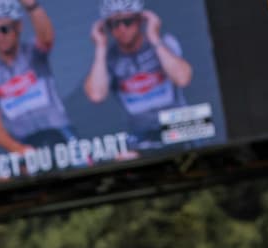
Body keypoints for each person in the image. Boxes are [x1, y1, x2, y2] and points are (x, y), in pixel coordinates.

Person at [82, 1, 194, 153]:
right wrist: (100, 47)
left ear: (140, 20)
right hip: (141, 136)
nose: (122, 29)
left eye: (127, 21)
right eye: (114, 24)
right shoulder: (109, 58)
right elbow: (96, 95)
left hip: (179, 125)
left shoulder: (165, 42)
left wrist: (154, 37)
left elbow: (183, 79)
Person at [0, 0, 74, 158]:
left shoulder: (33, 52)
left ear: (18, 26)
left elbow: (46, 38)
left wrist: (32, 6)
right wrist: (18, 149)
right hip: (23, 142)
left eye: (4, 29)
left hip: (59, 131)